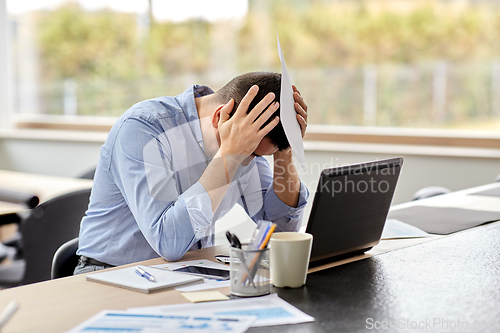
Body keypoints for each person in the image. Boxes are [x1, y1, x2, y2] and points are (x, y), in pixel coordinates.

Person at [74, 71, 309, 274]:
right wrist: (230, 154)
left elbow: (281, 230)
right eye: (251, 153)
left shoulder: (248, 140)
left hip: (185, 274)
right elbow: (169, 242)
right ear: (220, 117)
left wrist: (285, 150)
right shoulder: (143, 128)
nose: (251, 161)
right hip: (111, 274)